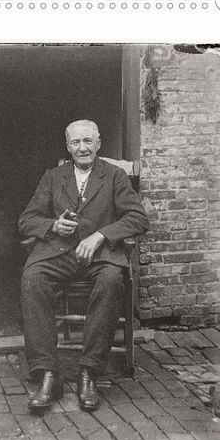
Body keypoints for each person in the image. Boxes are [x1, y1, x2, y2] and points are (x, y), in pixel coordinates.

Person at [18, 119, 149, 411]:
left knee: (111, 280)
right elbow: (26, 220)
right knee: (32, 277)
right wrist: (53, 225)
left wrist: (101, 235)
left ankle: (89, 371)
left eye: (88, 141)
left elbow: (138, 218)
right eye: (76, 142)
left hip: (100, 255)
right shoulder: (53, 177)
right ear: (68, 146)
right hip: (60, 253)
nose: (82, 148)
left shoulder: (114, 176)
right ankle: (47, 373)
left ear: (98, 144)